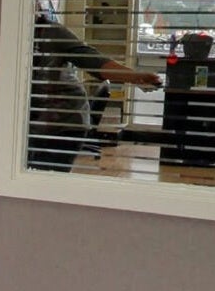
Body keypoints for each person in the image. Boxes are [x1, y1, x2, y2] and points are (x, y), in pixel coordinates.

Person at [29, 13, 161, 172]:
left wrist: (135, 76)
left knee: (42, 179)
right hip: (36, 120)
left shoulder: (50, 32)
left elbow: (93, 60)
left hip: (64, 120)